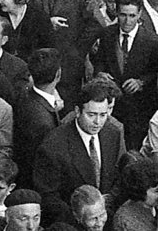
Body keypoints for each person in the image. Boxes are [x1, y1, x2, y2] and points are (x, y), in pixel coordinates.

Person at [32, 80, 126, 225]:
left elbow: (116, 176)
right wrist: (82, 219)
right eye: (91, 115)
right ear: (77, 111)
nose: (98, 122)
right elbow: (49, 196)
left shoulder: (112, 133)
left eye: (103, 115)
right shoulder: (53, 145)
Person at [90, 0, 158, 149]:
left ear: (139, 14)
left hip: (139, 110)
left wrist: (141, 82)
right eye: (123, 15)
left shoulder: (152, 41)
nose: (127, 21)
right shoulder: (107, 34)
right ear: (116, 12)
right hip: (113, 108)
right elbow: (99, 61)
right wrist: (100, 73)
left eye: (132, 16)